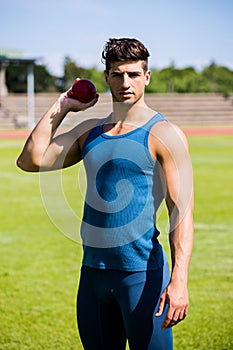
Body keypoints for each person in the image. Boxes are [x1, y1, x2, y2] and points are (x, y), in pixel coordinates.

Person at [17, 38, 194, 350]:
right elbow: (31, 160)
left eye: (134, 74)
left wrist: (178, 280)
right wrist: (64, 105)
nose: (125, 82)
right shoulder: (90, 132)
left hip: (142, 276)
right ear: (107, 77)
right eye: (117, 74)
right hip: (93, 276)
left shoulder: (165, 134)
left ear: (147, 76)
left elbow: (181, 212)